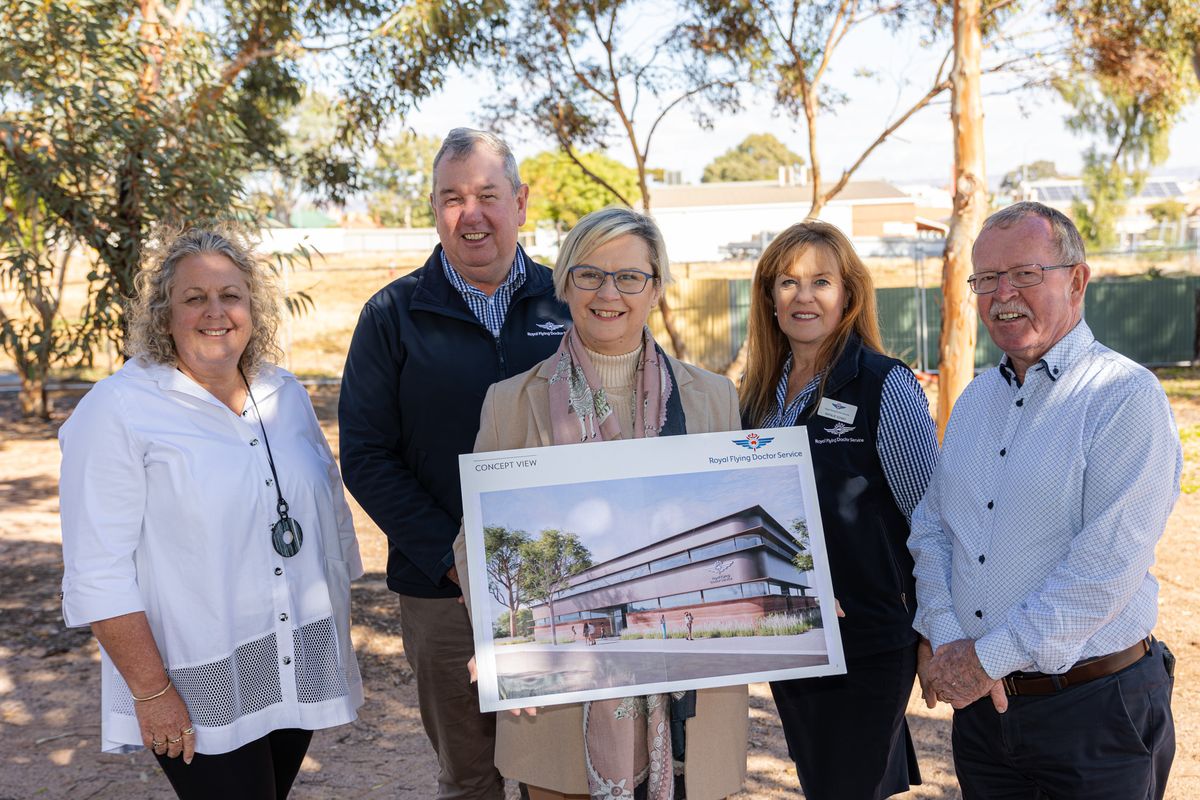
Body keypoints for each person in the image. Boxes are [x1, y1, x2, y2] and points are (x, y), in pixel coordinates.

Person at [454, 207, 748, 800]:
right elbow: (476, 536)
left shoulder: (714, 398)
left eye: (630, 277)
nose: (608, 293)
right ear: (564, 284)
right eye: (589, 275)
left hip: (691, 698)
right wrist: (492, 633)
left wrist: (800, 582)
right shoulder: (510, 401)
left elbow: (735, 523)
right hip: (560, 697)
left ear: (657, 288)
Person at [58, 226, 363, 799]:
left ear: (253, 308)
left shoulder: (285, 393)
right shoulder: (118, 410)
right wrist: (151, 693)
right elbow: (98, 572)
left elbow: (329, 515)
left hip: (293, 656)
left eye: (231, 296)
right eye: (194, 298)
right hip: (195, 674)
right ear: (163, 315)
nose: (215, 312)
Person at [910, 201, 1181, 799]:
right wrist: (947, 632)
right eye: (985, 279)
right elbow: (933, 529)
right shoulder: (977, 401)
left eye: (1025, 274)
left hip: (1093, 715)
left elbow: (1103, 570)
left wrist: (985, 660)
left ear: (1077, 280)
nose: (1002, 294)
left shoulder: (1123, 397)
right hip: (985, 720)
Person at [338, 128, 571, 799]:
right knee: (470, 776)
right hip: (443, 593)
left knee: (559, 770)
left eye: (488, 195)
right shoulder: (391, 314)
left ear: (521, 202)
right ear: (434, 209)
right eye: (452, 198)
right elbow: (367, 454)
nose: (471, 214)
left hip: (561, 584)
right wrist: (456, 559)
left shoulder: (571, 302)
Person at [738, 220, 938, 800]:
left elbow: (929, 517)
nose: (804, 297)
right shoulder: (756, 396)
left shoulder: (884, 385)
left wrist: (932, 629)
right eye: (788, 282)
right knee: (825, 781)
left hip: (871, 636)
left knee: (847, 785)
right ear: (769, 298)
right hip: (792, 631)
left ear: (848, 294)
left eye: (821, 282)